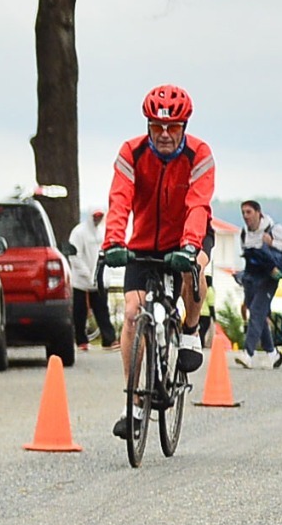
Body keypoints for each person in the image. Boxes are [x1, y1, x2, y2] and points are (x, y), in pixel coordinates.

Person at [100, 84, 213, 439]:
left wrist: (191, 246)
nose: (164, 135)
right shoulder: (131, 153)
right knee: (133, 314)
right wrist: (113, 242)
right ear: (148, 125)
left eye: (173, 128)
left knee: (195, 272)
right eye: (157, 127)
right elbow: (119, 201)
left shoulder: (199, 155)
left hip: (187, 237)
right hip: (144, 243)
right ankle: (133, 405)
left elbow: (198, 205)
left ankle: (191, 332)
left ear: (185, 127)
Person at [234, 199, 282, 367]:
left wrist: (273, 243)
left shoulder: (273, 229)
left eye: (248, 212)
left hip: (270, 276)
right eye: (243, 213)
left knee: (257, 310)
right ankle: (272, 353)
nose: (245, 217)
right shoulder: (244, 233)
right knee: (257, 312)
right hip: (252, 276)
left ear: (258, 213)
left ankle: (248, 353)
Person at [65, 205, 117, 349]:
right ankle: (81, 341)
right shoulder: (78, 233)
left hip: (98, 281)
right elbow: (75, 255)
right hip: (81, 282)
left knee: (102, 311)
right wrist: (86, 274)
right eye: (96, 216)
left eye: (100, 216)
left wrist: (103, 276)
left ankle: (109, 339)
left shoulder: (101, 232)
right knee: (79, 313)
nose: (98, 219)